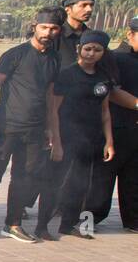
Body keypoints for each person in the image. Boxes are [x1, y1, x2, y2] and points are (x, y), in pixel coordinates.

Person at [0, 9, 63, 243]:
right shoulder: (15, 55)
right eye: (44, 27)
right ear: (35, 26)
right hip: (7, 127)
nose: (48, 32)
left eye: (54, 28)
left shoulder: (54, 59)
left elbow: (50, 96)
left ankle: (13, 224)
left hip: (35, 130)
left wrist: (49, 128)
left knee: (24, 178)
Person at [49, 30, 116, 239]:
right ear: (80, 49)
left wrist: (109, 141)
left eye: (97, 50)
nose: (91, 54)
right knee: (63, 181)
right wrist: (56, 139)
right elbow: (54, 109)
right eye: (87, 49)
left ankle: (71, 225)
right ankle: (45, 223)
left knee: (84, 184)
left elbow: (105, 111)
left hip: (92, 137)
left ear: (103, 52)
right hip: (68, 136)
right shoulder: (67, 75)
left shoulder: (104, 78)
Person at [99, 17, 138, 231]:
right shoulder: (115, 58)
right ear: (129, 34)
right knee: (104, 181)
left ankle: (133, 221)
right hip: (117, 128)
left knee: (134, 179)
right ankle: (88, 220)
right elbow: (112, 92)